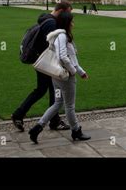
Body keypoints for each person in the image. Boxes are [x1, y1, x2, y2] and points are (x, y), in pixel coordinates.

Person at [29, 12, 91, 143]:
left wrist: (81, 72)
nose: (73, 24)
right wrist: (74, 71)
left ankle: (38, 127)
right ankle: (76, 131)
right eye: (72, 21)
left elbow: (72, 59)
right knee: (69, 106)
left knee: (58, 103)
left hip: (56, 77)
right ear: (67, 23)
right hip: (66, 78)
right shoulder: (62, 36)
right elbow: (64, 57)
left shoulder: (58, 36)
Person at [11, 2, 73, 132]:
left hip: (42, 60)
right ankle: (50, 120)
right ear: (61, 11)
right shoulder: (51, 23)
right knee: (51, 90)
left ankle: (22, 115)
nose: (69, 16)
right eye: (68, 12)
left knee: (46, 89)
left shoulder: (46, 19)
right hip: (46, 62)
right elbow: (53, 46)